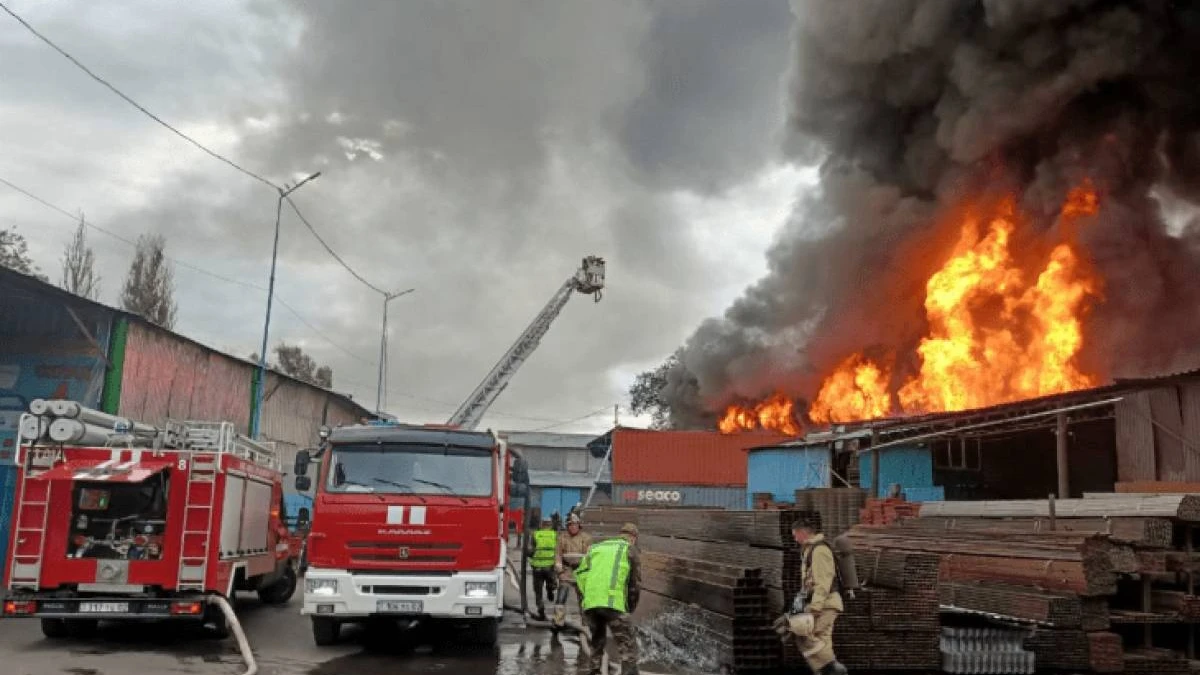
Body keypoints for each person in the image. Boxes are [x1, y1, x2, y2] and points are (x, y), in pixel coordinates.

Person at [576, 522, 640, 675]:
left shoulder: (596, 547)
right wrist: (630, 607)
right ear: (633, 538)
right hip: (612, 605)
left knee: (597, 641)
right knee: (628, 647)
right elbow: (634, 585)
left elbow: (580, 574)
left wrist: (588, 597)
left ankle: (595, 671)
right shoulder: (629, 549)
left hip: (591, 604)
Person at [789, 521, 847, 675]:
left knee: (806, 635)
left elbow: (823, 582)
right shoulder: (810, 549)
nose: (795, 539)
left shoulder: (819, 550)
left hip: (826, 603)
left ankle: (834, 669)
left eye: (795, 535)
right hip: (822, 602)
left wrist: (815, 607)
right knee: (822, 640)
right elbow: (808, 582)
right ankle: (827, 671)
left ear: (803, 532)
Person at [552, 512, 594, 629]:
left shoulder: (587, 538)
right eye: (570, 525)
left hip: (582, 572)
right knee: (561, 597)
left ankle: (586, 623)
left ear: (579, 525)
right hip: (566, 571)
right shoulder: (562, 538)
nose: (572, 527)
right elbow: (558, 555)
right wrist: (560, 570)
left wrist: (588, 572)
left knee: (584, 600)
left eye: (575, 524)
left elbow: (590, 556)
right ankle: (558, 622)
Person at [527, 516, 558, 621]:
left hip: (537, 567)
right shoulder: (555, 535)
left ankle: (541, 611)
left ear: (541, 525)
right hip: (550, 566)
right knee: (551, 582)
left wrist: (528, 554)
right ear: (551, 525)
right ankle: (550, 589)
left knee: (538, 591)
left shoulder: (535, 534)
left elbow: (531, 551)